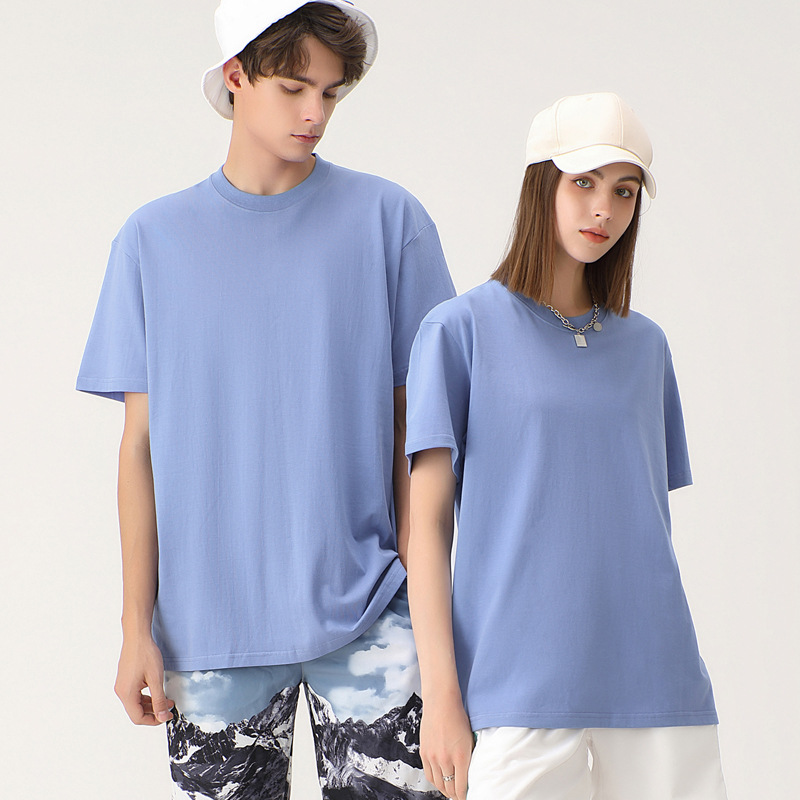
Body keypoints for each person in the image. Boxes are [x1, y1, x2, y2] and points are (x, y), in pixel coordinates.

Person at [76, 1, 454, 797]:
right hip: (209, 632)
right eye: (293, 88)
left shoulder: (390, 222)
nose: (315, 113)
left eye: (331, 92)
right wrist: (134, 627)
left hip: (374, 614)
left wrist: (437, 628)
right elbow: (139, 449)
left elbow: (418, 441)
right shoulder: (152, 241)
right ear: (236, 76)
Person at [405, 92, 727, 800]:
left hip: (659, 688)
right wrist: (441, 697)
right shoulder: (459, 331)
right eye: (584, 182)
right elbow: (424, 530)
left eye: (624, 190)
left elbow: (640, 529)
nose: (603, 209)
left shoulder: (646, 347)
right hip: (516, 693)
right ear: (540, 185)